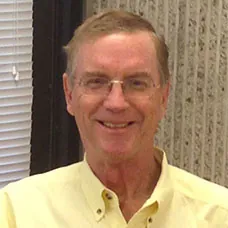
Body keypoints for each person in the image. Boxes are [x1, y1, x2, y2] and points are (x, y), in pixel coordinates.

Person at [0, 10, 228, 228]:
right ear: (69, 94)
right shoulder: (17, 212)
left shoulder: (220, 215)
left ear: (163, 97)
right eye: (96, 81)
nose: (116, 103)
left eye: (137, 83)